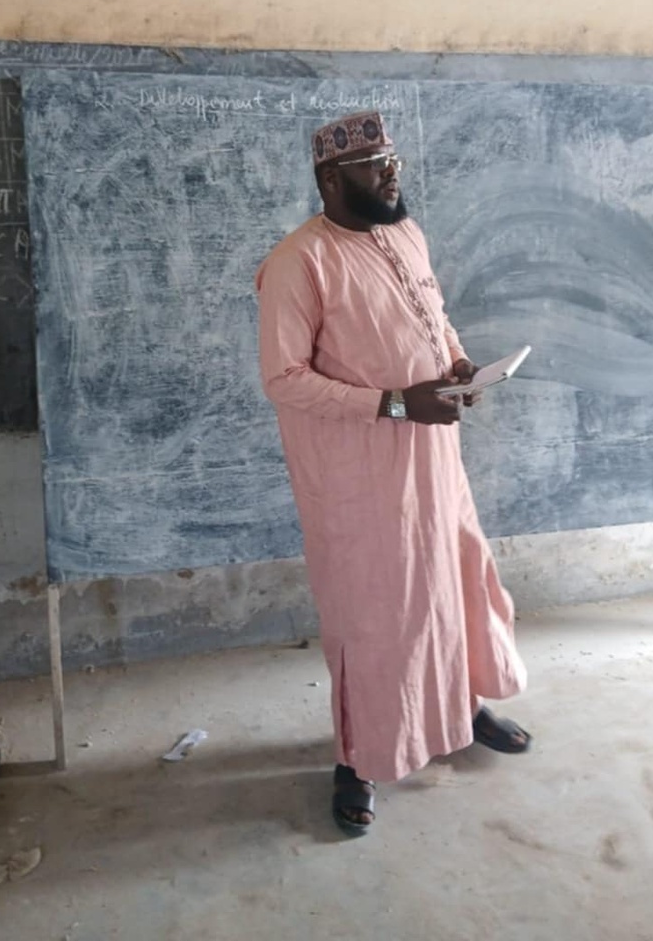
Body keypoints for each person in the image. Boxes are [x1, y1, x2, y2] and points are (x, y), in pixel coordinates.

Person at [255, 111, 530, 837]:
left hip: (433, 460)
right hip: (357, 475)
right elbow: (282, 378)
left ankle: (458, 708)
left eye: (391, 160)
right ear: (328, 179)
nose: (390, 173)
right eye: (373, 164)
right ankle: (360, 758)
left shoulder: (403, 232)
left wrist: (458, 361)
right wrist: (394, 403)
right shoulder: (298, 261)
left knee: (450, 579)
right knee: (374, 611)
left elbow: (431, 315)